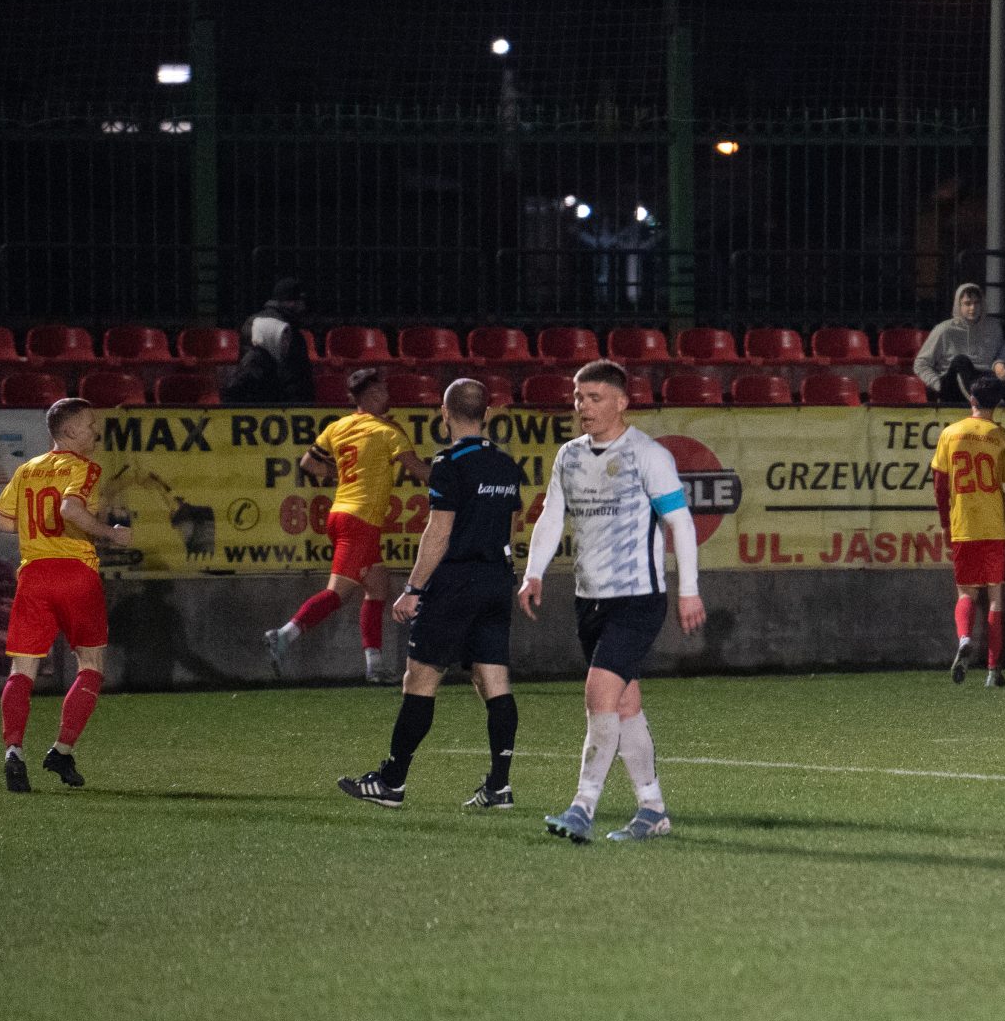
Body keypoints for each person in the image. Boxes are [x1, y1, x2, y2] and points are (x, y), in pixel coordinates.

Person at [520, 360, 707, 844]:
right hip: (589, 599)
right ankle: (653, 809)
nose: (583, 406)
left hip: (637, 598)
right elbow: (552, 516)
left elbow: (680, 522)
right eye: (578, 397)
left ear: (622, 402)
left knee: (599, 694)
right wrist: (533, 572)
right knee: (624, 706)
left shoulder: (647, 455)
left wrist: (688, 589)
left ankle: (583, 807)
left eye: (594, 397)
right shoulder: (569, 456)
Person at [336, 379, 527, 811]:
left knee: (420, 680)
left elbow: (438, 531)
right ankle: (499, 787)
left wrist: (413, 589)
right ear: (486, 414)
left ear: (444, 413)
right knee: (494, 681)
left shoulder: (448, 462)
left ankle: (392, 782)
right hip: (496, 580)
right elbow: (514, 520)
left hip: (455, 583)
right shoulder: (504, 463)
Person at [0, 398, 134, 791]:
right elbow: (70, 509)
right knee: (91, 665)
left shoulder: (27, 469)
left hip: (34, 575)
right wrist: (110, 533)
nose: (96, 431)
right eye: (90, 424)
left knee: (22, 670)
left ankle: (13, 752)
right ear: (69, 431)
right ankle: (62, 749)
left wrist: (36, 527)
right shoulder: (84, 467)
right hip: (74, 574)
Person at [264, 367, 429, 682]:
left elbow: (308, 463)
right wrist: (453, 479)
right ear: (372, 395)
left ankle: (374, 667)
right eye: (382, 390)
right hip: (360, 522)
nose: (387, 395)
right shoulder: (387, 430)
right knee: (337, 593)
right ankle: (284, 635)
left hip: (341, 514)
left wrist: (338, 475)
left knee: (378, 585)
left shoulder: (337, 427)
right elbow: (418, 470)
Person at [931, 374, 1005, 686]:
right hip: (998, 526)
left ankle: (964, 639)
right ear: (998, 403)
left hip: (965, 524)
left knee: (966, 592)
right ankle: (993, 671)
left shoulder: (950, 434)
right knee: (997, 598)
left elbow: (940, 486)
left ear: (971, 400)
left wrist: (946, 524)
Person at [222, 277, 316, 405]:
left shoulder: (252, 322)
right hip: (280, 404)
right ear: (291, 302)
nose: (304, 306)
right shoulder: (288, 330)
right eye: (301, 301)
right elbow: (297, 380)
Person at [913, 281, 1005, 405]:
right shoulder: (944, 329)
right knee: (961, 361)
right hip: (953, 384)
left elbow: (1002, 355)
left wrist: (999, 364)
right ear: (959, 305)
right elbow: (921, 363)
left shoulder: (995, 328)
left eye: (976, 303)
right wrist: (938, 384)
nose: (972, 308)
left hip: (983, 380)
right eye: (967, 304)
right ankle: (979, 401)